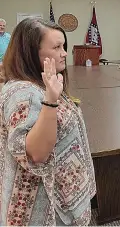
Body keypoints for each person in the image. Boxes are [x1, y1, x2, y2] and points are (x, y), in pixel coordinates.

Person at [0, 18, 96, 225]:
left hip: (56, 195)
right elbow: (35, 154)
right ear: (31, 53)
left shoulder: (39, 83)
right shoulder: (22, 94)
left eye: (64, 46)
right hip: (42, 205)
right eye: (57, 47)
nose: (64, 53)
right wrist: (51, 101)